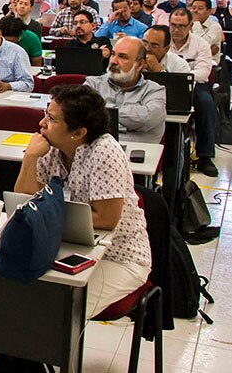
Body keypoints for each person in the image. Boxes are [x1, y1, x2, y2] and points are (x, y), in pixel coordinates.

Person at [16, 84, 151, 320]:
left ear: (77, 133)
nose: (42, 124)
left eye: (51, 119)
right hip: (64, 248)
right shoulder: (50, 148)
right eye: (45, 115)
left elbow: (106, 220)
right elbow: (26, 202)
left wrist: (47, 217)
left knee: (58, 314)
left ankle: (35, 356)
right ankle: (17, 357)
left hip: (118, 257)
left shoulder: (105, 152)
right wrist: (30, 157)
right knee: (16, 296)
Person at [83, 37, 166, 144]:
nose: (113, 61)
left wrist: (101, 113)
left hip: (137, 153)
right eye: (113, 54)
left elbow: (146, 119)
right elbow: (82, 116)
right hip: (96, 151)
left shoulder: (155, 91)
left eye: (123, 57)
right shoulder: (93, 84)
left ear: (140, 65)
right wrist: (129, 126)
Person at [169, 8, 217, 176]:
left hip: (195, 85)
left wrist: (181, 76)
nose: (176, 29)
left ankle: (205, 156)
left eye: (181, 26)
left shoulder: (200, 44)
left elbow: (203, 73)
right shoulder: (163, 41)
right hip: (166, 84)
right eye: (173, 25)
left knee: (206, 104)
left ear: (190, 26)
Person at [189, 0, 223, 65]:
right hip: (188, 61)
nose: (195, 11)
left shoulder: (215, 26)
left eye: (200, 9)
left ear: (209, 11)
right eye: (193, 8)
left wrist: (196, 23)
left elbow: (202, 44)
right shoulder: (187, 25)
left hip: (208, 63)